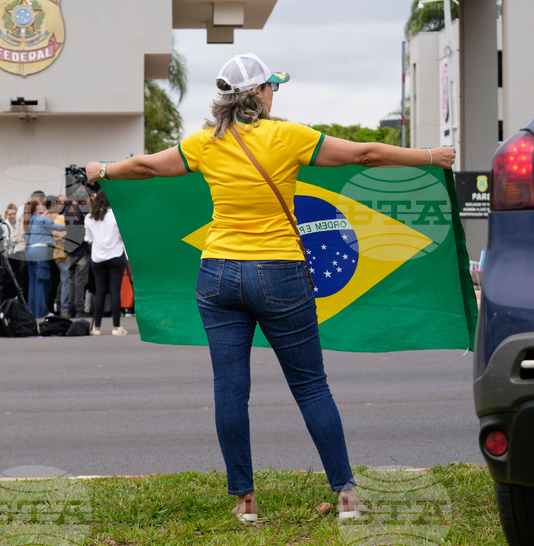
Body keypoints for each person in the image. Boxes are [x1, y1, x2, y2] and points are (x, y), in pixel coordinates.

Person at [85, 53, 456, 523]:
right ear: (259, 94)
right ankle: (346, 496)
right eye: (272, 87)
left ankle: (244, 501)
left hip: (217, 274)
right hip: (279, 274)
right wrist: (429, 157)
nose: (274, 93)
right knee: (311, 386)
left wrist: (104, 168)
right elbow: (365, 153)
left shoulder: (204, 144)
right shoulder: (288, 137)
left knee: (230, 390)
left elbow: (147, 166)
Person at [83, 190, 129, 336]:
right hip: (115, 255)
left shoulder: (89, 218)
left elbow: (88, 240)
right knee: (115, 290)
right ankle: (117, 327)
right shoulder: (116, 215)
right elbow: (123, 236)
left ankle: (96, 327)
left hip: (97, 257)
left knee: (100, 291)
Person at [21, 198, 65, 320]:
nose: (42, 206)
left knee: (33, 283)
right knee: (42, 283)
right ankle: (41, 311)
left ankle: (33, 311)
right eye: (40, 205)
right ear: (36, 208)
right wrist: (71, 223)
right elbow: (58, 227)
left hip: (30, 252)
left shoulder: (29, 221)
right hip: (41, 253)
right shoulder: (42, 219)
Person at [63, 189, 92, 317]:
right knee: (80, 280)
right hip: (83, 250)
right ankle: (79, 309)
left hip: (70, 249)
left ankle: (70, 308)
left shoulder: (68, 211)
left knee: (71, 279)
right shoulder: (86, 211)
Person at [51, 195, 70, 317]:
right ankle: (64, 309)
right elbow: (60, 234)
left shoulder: (61, 218)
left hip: (63, 253)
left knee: (63, 282)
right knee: (66, 282)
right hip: (62, 254)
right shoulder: (59, 218)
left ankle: (61, 307)